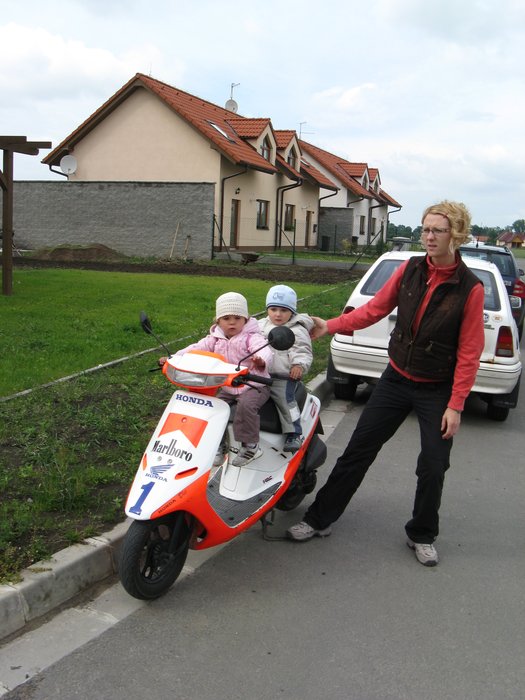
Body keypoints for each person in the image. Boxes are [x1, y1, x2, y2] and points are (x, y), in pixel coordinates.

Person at [287, 200, 485, 567]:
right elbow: (374, 309)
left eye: (437, 231)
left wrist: (456, 404)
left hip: (436, 388)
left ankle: (421, 534)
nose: (428, 236)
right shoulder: (410, 270)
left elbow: (470, 351)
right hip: (396, 379)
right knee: (358, 451)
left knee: (433, 465)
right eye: (425, 229)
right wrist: (330, 326)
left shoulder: (469, 288)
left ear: (455, 235)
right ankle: (319, 519)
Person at [162, 292, 273, 467]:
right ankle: (218, 445)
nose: (232, 322)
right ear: (218, 321)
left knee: (246, 405)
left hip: (254, 385)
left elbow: (264, 350)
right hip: (228, 386)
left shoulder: (252, 337)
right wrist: (174, 358)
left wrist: (261, 360)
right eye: (226, 318)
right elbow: (195, 348)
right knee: (212, 408)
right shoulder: (214, 339)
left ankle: (250, 446)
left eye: (237, 318)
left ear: (245, 319)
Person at [258, 285, 314, 453]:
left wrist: (298, 365)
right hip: (260, 373)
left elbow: (302, 349)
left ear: (292, 311)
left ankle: (294, 432)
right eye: (273, 309)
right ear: (267, 310)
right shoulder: (261, 325)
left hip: (283, 376)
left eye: (283, 310)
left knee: (285, 400)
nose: (278, 314)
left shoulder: (296, 329)